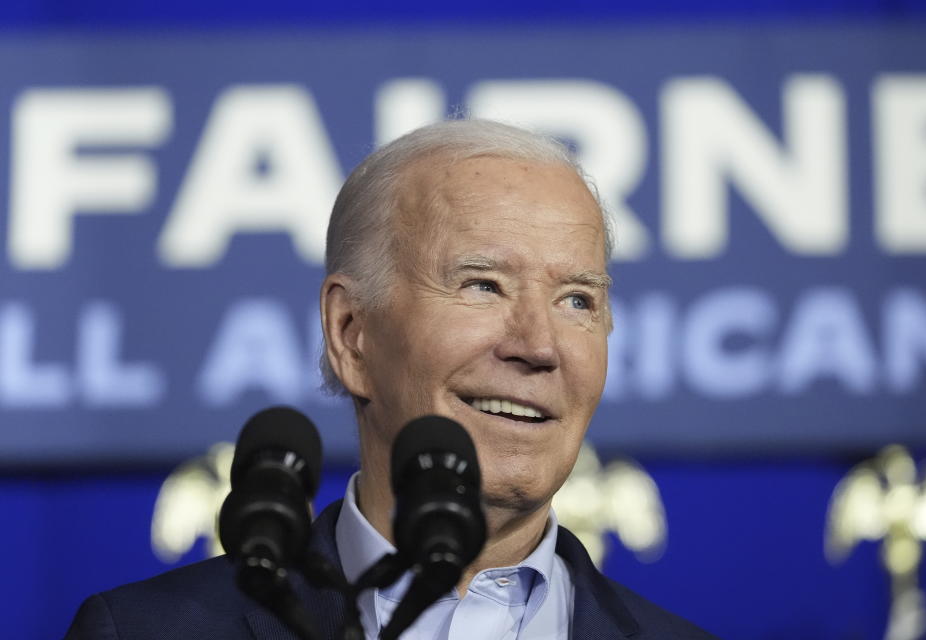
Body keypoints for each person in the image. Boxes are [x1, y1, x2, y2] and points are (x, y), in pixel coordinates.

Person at [67, 119, 717, 639]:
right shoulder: (143, 631)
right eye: (483, 285)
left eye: (577, 299)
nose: (539, 347)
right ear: (352, 333)